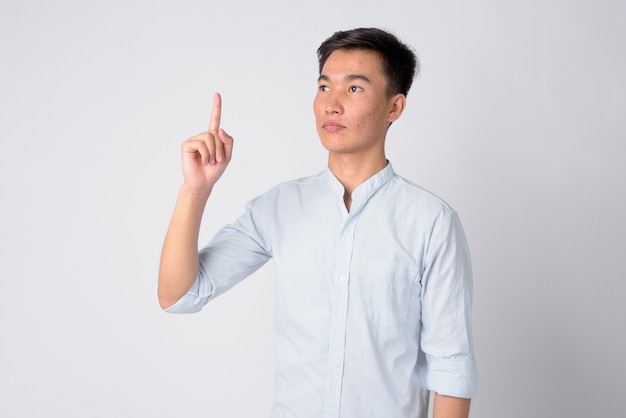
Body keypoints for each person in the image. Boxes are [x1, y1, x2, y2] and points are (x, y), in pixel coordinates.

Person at [158, 27, 477, 418]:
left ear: (395, 107)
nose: (332, 104)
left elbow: (451, 366)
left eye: (354, 89)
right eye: (324, 87)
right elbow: (179, 296)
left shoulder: (430, 222)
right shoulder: (279, 207)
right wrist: (195, 191)